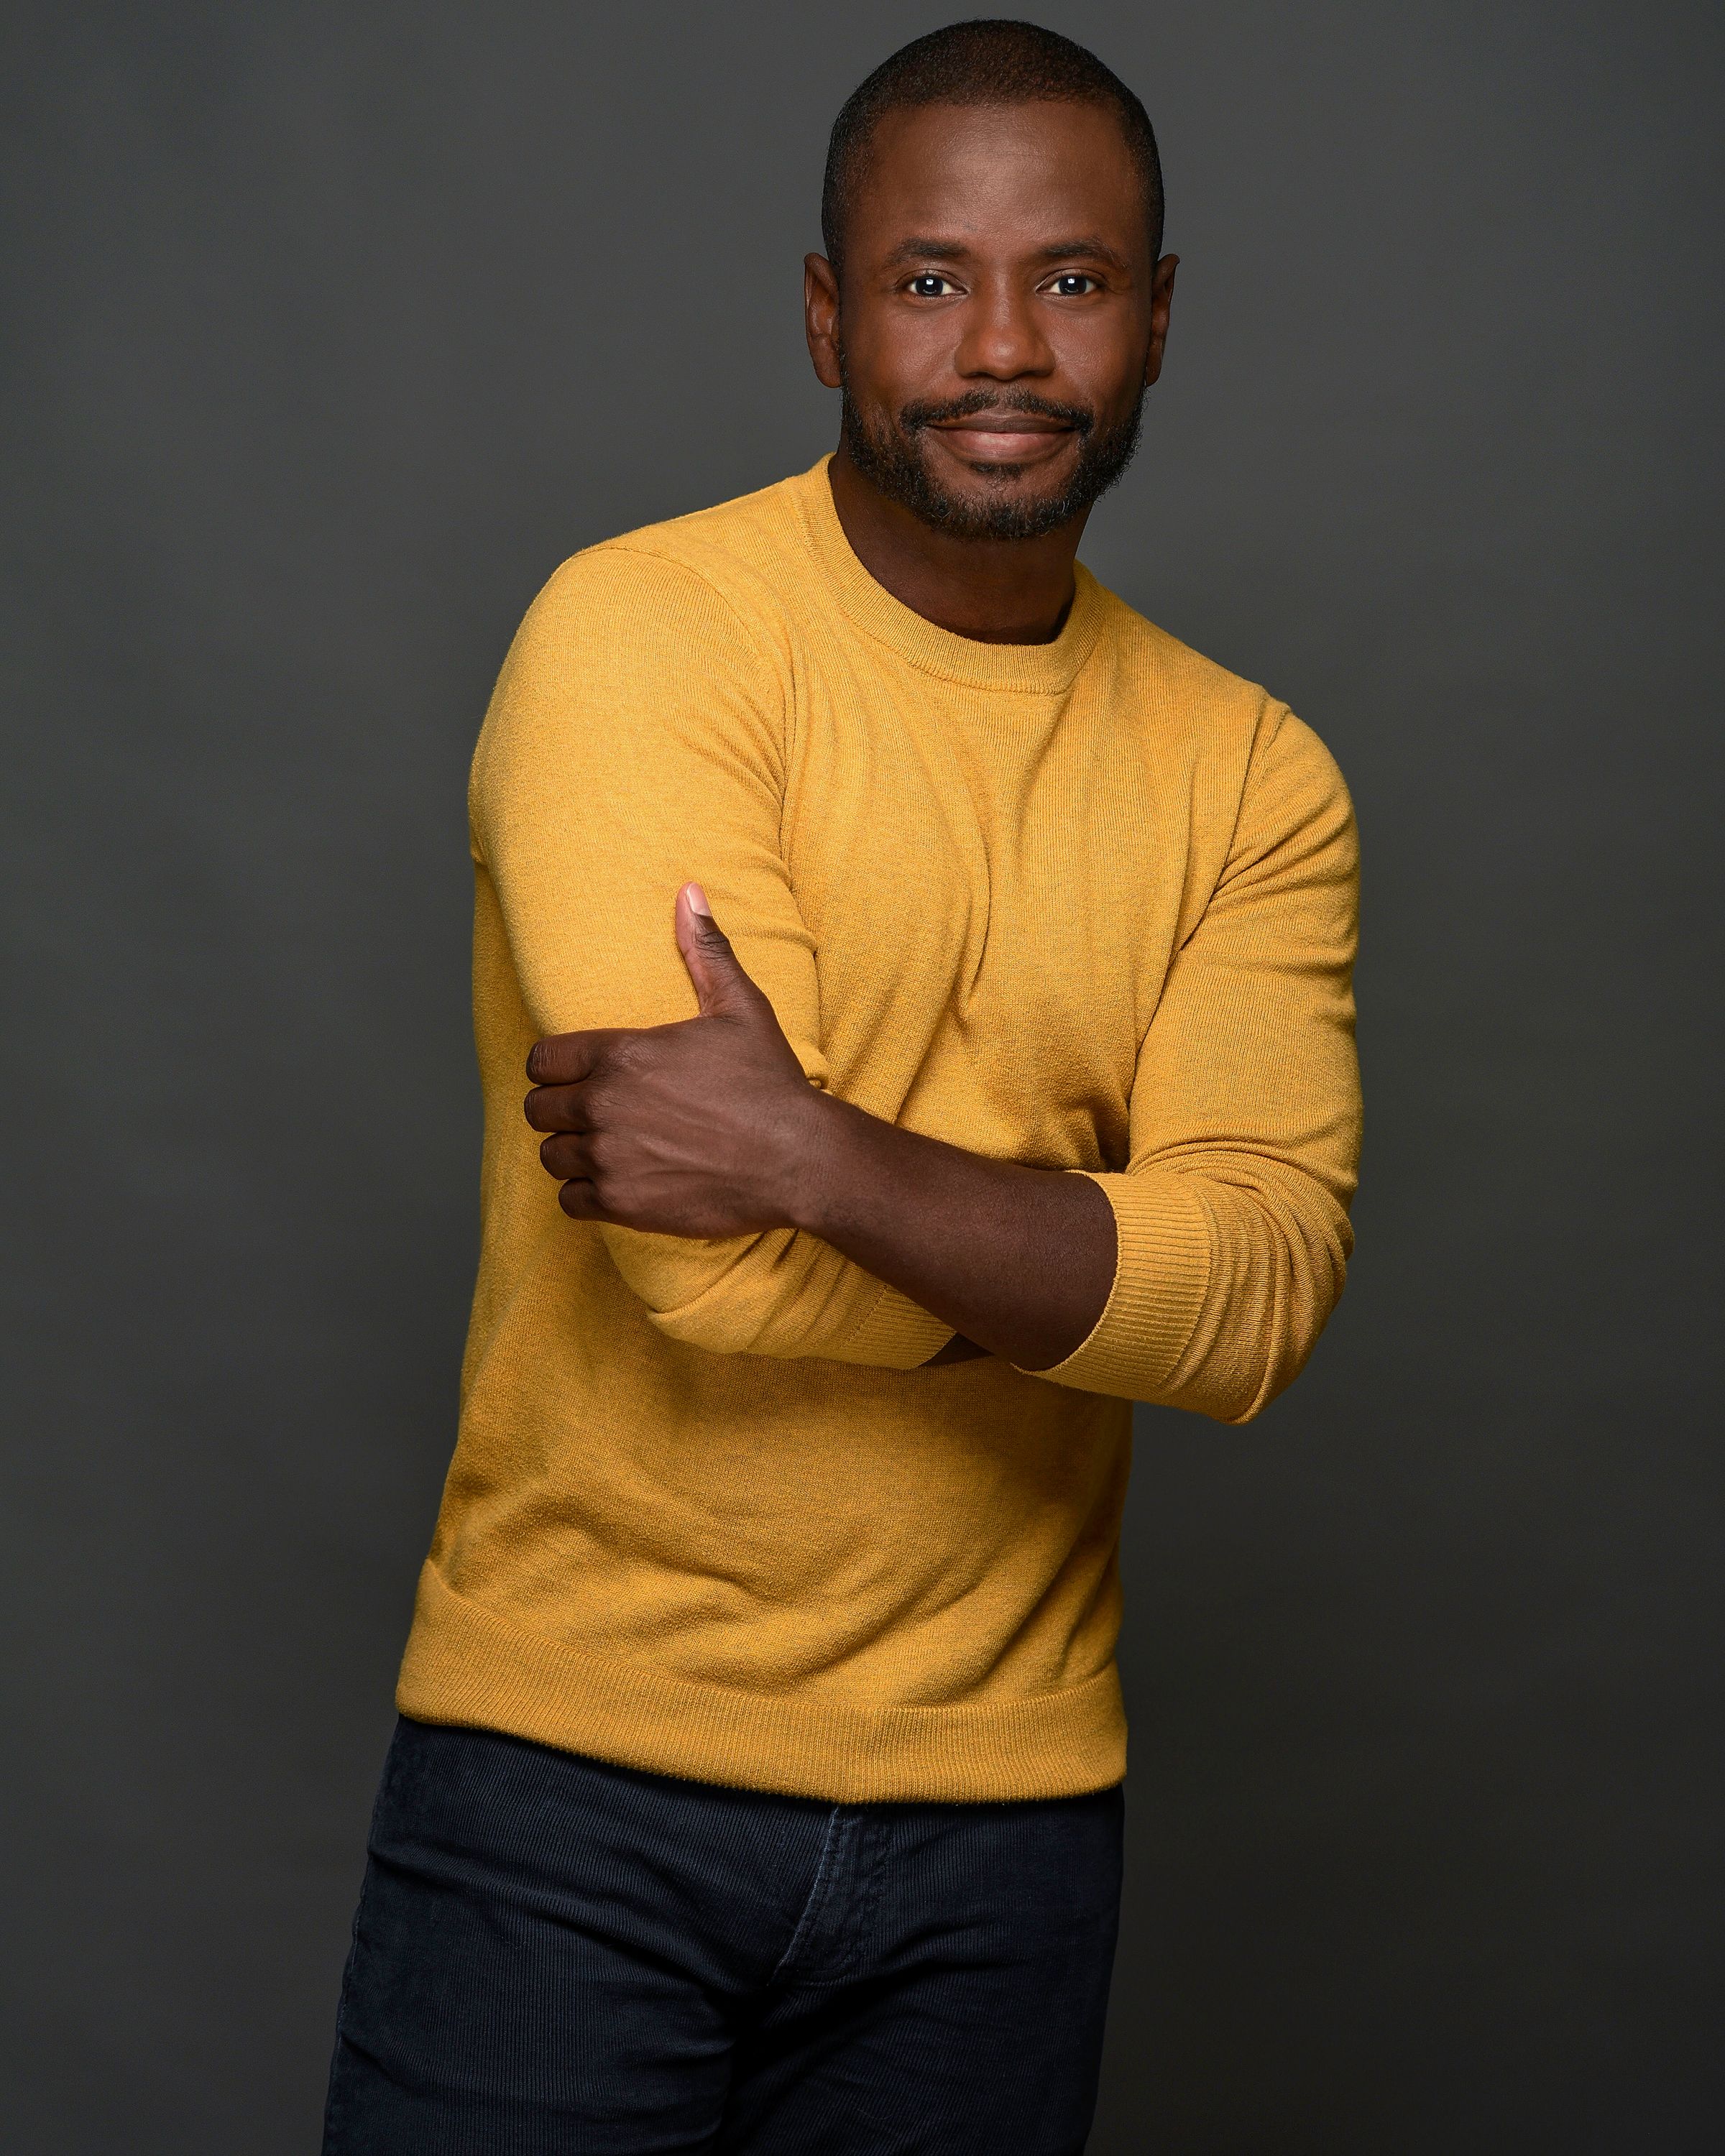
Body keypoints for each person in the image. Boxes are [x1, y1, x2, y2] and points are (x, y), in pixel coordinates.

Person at [321, 19, 1361, 2154]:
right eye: (927, 279)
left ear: (1158, 320)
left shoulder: (1254, 776)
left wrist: (808, 1148)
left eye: (1072, 280)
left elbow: (1258, 1303)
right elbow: (708, 1286)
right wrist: (1094, 1269)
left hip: (1008, 1829)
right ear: (825, 312)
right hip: (573, 1794)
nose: (1002, 346)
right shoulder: (641, 639)